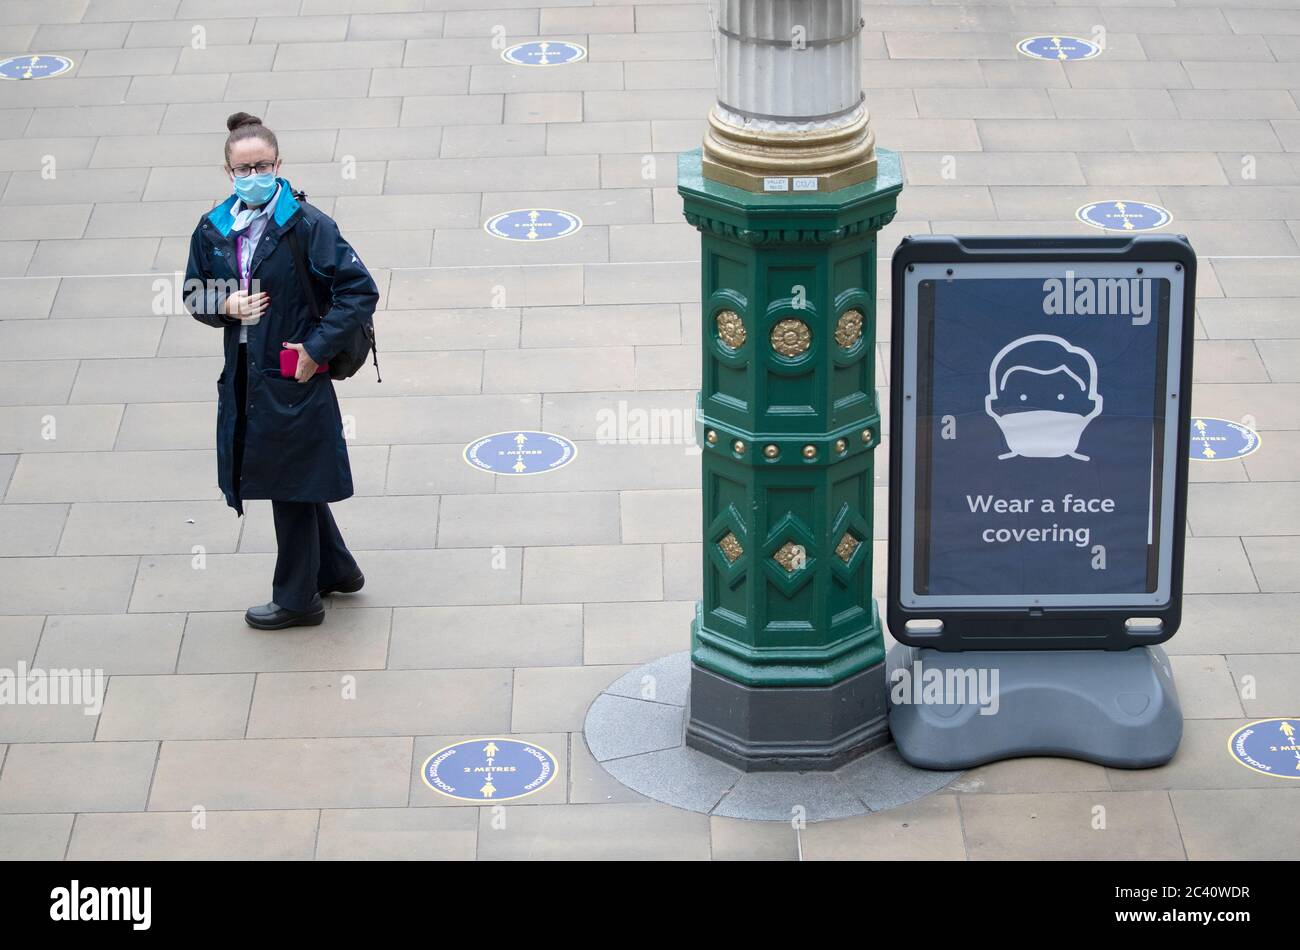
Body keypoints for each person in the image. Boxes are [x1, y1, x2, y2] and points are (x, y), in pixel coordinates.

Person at [184, 112, 379, 630]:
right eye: (242, 169)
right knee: (290, 475)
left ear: (278, 164)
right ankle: (335, 568)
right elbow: (193, 292)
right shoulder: (214, 228)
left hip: (295, 373)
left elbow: (359, 290)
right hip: (246, 375)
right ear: (228, 171)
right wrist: (226, 305)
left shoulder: (309, 225)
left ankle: (297, 599)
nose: (253, 175)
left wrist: (316, 349)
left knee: (288, 480)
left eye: (262, 165)